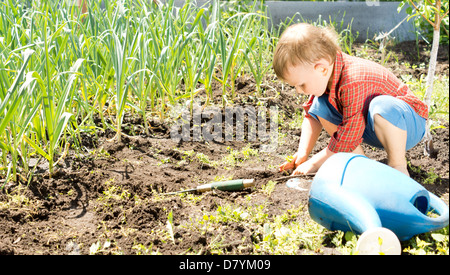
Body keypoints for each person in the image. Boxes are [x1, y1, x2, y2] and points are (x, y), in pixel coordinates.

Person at [274, 23, 428, 177]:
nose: (299, 91)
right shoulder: (327, 77)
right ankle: (361, 163)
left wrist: (314, 163)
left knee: (381, 105)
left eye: (301, 84)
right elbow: (313, 116)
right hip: (374, 128)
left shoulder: (353, 80)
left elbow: (348, 135)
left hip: (408, 124)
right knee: (321, 104)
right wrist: (302, 154)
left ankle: (398, 166)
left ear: (322, 68)